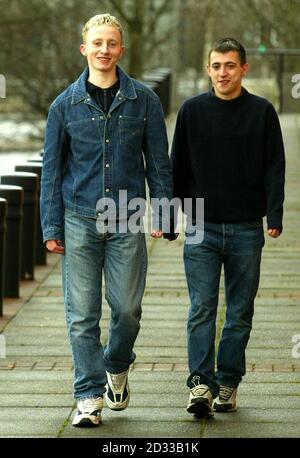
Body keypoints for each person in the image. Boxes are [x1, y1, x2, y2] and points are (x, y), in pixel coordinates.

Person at [40, 13, 174, 427]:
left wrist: (164, 213)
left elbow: (159, 164)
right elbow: (51, 170)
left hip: (128, 217)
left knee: (128, 309)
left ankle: (116, 364)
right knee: (81, 314)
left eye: (111, 43)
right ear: (85, 49)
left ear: (121, 49)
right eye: (96, 43)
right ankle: (88, 395)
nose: (104, 50)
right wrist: (51, 227)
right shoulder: (63, 105)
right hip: (79, 217)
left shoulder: (144, 100)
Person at [171, 38, 285, 418]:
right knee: (201, 308)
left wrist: (275, 215)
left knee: (239, 311)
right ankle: (200, 384)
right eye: (217, 66)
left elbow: (275, 166)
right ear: (208, 69)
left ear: (244, 69)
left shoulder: (262, 112)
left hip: (246, 228)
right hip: (200, 227)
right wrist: (170, 220)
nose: (223, 72)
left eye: (230, 65)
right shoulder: (191, 111)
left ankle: (228, 382)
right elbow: (177, 169)